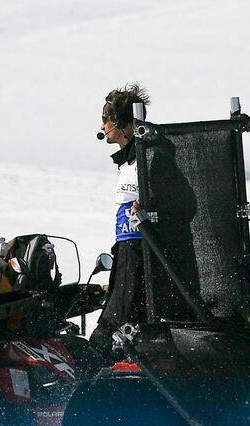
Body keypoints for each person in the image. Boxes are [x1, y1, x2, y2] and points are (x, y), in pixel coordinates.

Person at [90, 83, 152, 355]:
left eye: (107, 118)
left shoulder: (147, 155)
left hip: (139, 250)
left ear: (124, 125)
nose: (103, 125)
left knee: (116, 320)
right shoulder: (128, 161)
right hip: (126, 249)